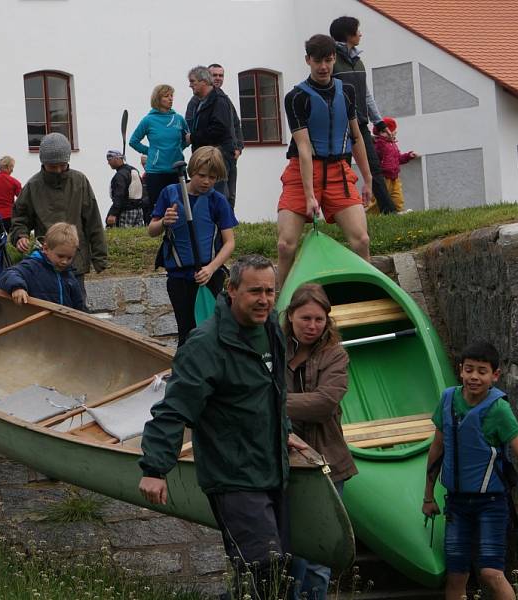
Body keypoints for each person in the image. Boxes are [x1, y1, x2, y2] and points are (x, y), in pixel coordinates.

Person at [138, 254, 306, 600]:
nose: (264, 300)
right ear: (230, 290)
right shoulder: (205, 345)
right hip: (233, 475)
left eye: (270, 291)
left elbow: (273, 390)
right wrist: (155, 468)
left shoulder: (270, 326)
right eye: (255, 291)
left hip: (273, 468)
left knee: (278, 575)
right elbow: (174, 408)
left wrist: (284, 429)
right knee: (264, 569)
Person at [422, 341, 518, 600]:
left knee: (491, 573)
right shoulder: (447, 399)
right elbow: (436, 451)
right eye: (469, 370)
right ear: (461, 370)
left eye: (482, 371)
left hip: (491, 502)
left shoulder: (499, 410)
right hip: (456, 503)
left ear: (494, 376)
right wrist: (428, 497)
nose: (474, 376)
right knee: (456, 576)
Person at [276, 34, 373, 289]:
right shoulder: (296, 97)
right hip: (301, 171)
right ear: (308, 60)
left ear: (334, 61)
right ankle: (277, 304)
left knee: (361, 240)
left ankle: (368, 292)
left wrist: (368, 179)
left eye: (328, 61)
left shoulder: (347, 92)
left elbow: (356, 136)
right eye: (318, 61)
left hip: (339, 172)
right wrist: (309, 195)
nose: (323, 67)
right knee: (286, 245)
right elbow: (304, 147)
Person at [283, 283, 357, 600]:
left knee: (319, 555)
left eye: (319, 319)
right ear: (290, 317)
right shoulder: (273, 348)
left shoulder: (335, 354)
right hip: (282, 461)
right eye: (305, 319)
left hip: (325, 463)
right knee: (289, 554)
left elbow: (325, 403)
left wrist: (271, 402)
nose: (313, 326)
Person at [148, 146, 236, 346]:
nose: (207, 182)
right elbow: (152, 230)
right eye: (202, 175)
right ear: (191, 171)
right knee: (186, 334)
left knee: (211, 333)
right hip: (179, 279)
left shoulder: (217, 201)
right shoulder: (170, 193)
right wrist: (164, 222)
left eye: (213, 178)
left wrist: (211, 268)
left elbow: (230, 242)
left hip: (209, 276)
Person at [9, 132, 107, 301]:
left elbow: (93, 220)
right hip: (46, 260)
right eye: (52, 166)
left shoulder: (79, 181)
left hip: (74, 259)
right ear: (43, 163)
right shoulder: (33, 186)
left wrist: (100, 257)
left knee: (77, 306)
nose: (58, 170)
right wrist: (20, 236)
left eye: (62, 165)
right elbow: (20, 218)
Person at [330, 15, 396, 215]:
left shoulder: (358, 62)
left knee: (374, 168)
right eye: (357, 30)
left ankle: (389, 211)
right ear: (348, 34)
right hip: (340, 128)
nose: (360, 34)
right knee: (343, 172)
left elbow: (366, 95)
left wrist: (380, 123)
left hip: (361, 125)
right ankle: (345, 213)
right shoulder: (331, 61)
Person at [129, 84, 190, 224]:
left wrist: (179, 148)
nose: (170, 99)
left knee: (181, 205)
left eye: (171, 96)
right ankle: (157, 231)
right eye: (166, 96)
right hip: (156, 171)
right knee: (157, 207)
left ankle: (180, 231)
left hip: (177, 169)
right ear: (158, 99)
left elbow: (187, 139)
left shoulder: (179, 119)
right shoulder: (148, 120)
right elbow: (133, 141)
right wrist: (150, 152)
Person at [187, 64, 245, 208]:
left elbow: (224, 127)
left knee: (219, 194)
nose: (190, 85)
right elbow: (191, 124)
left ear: (203, 81)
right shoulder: (198, 102)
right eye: (215, 75)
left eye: (193, 81)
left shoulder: (219, 100)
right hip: (209, 154)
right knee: (212, 193)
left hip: (219, 154)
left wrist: (238, 147)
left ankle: (223, 227)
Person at [0, 222, 86, 311]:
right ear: (45, 249)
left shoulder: (69, 275)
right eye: (60, 256)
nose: (65, 262)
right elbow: (8, 273)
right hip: (38, 321)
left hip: (62, 322)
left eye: (69, 258)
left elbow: (78, 304)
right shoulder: (32, 266)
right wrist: (17, 287)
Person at [370, 117, 418, 214]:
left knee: (397, 197)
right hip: (384, 177)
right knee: (379, 199)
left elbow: (398, 158)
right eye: (390, 131)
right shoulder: (379, 143)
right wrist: (382, 137)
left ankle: (399, 211)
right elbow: (377, 150)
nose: (393, 133)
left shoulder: (392, 144)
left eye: (394, 131)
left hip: (394, 177)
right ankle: (370, 215)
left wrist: (408, 156)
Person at [105, 149, 144, 228]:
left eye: (109, 160)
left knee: (124, 236)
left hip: (126, 211)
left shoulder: (120, 175)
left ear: (117, 159)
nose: (108, 163)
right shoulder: (133, 170)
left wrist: (113, 214)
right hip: (139, 210)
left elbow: (119, 195)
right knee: (137, 236)